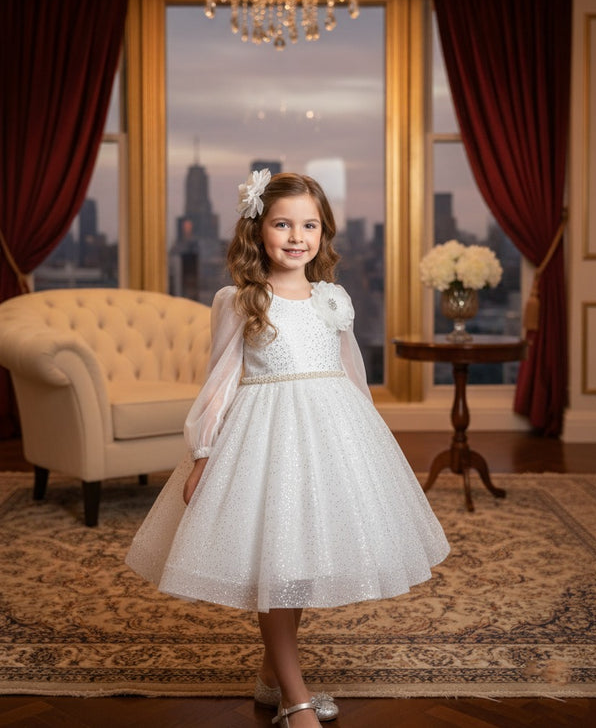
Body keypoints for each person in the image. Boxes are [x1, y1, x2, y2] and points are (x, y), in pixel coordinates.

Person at [126, 170, 449, 728]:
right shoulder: (240, 300)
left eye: (309, 225)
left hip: (328, 438)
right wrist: (203, 453)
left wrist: (366, 445)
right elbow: (219, 382)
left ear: (324, 232)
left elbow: (351, 372)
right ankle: (295, 697)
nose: (297, 237)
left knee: (297, 562)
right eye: (282, 224)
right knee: (276, 563)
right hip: (265, 441)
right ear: (258, 230)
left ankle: (272, 677)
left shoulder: (333, 299)